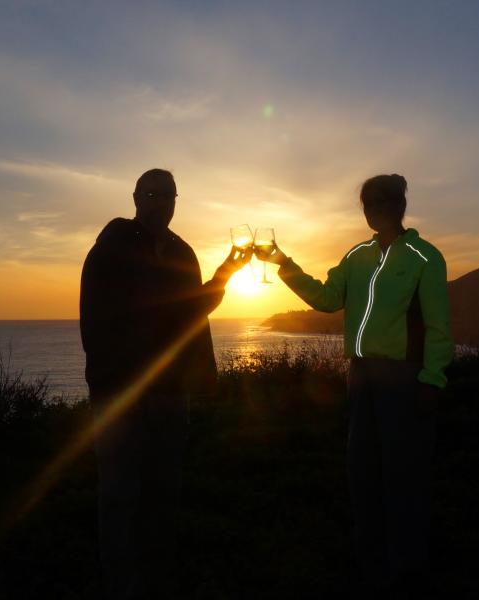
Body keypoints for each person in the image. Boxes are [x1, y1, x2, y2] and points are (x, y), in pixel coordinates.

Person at [256, 174, 454, 599]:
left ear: (400, 204)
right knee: (362, 474)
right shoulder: (357, 256)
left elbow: (439, 327)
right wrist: (283, 264)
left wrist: (432, 379)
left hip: (404, 378)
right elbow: (328, 298)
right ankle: (370, 567)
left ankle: (408, 569)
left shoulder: (425, 257)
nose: (372, 209)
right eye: (367, 203)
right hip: (360, 378)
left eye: (380, 201)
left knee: (405, 475)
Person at [79, 168, 250, 600]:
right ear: (135, 198)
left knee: (163, 492)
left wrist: (226, 272)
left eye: (168, 195)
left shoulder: (183, 253)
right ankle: (122, 585)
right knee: (119, 494)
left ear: (177, 201)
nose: (160, 203)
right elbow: (104, 321)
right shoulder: (113, 245)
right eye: (151, 194)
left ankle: (158, 578)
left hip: (171, 394)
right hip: (121, 394)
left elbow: (194, 310)